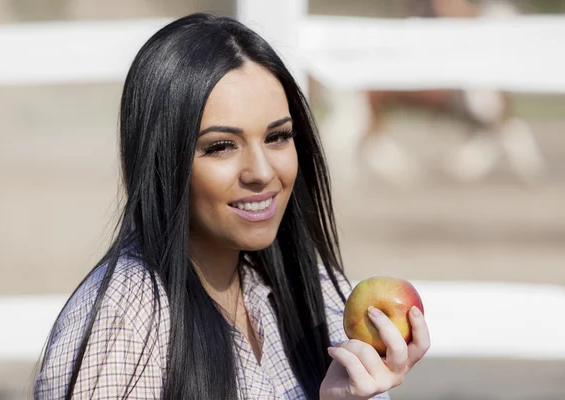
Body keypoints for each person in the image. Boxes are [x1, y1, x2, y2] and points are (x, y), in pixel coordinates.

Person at [33, 13, 430, 400]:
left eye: (277, 137)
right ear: (162, 160)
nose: (261, 172)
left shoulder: (318, 292)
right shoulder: (123, 327)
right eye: (221, 146)